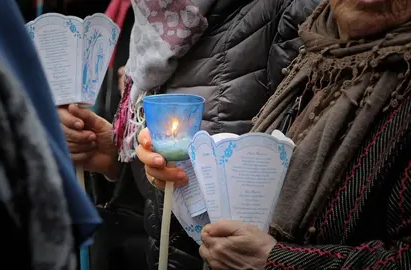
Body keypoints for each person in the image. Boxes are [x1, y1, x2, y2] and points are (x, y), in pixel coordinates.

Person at [137, 0, 411, 269]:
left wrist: (279, 261)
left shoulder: (288, 15)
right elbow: (254, 177)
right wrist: (183, 178)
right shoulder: (316, 46)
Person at [59, 0, 321, 269]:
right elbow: (163, 168)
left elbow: (306, 165)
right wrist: (117, 159)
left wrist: (281, 259)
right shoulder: (150, 19)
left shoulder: (286, 9)